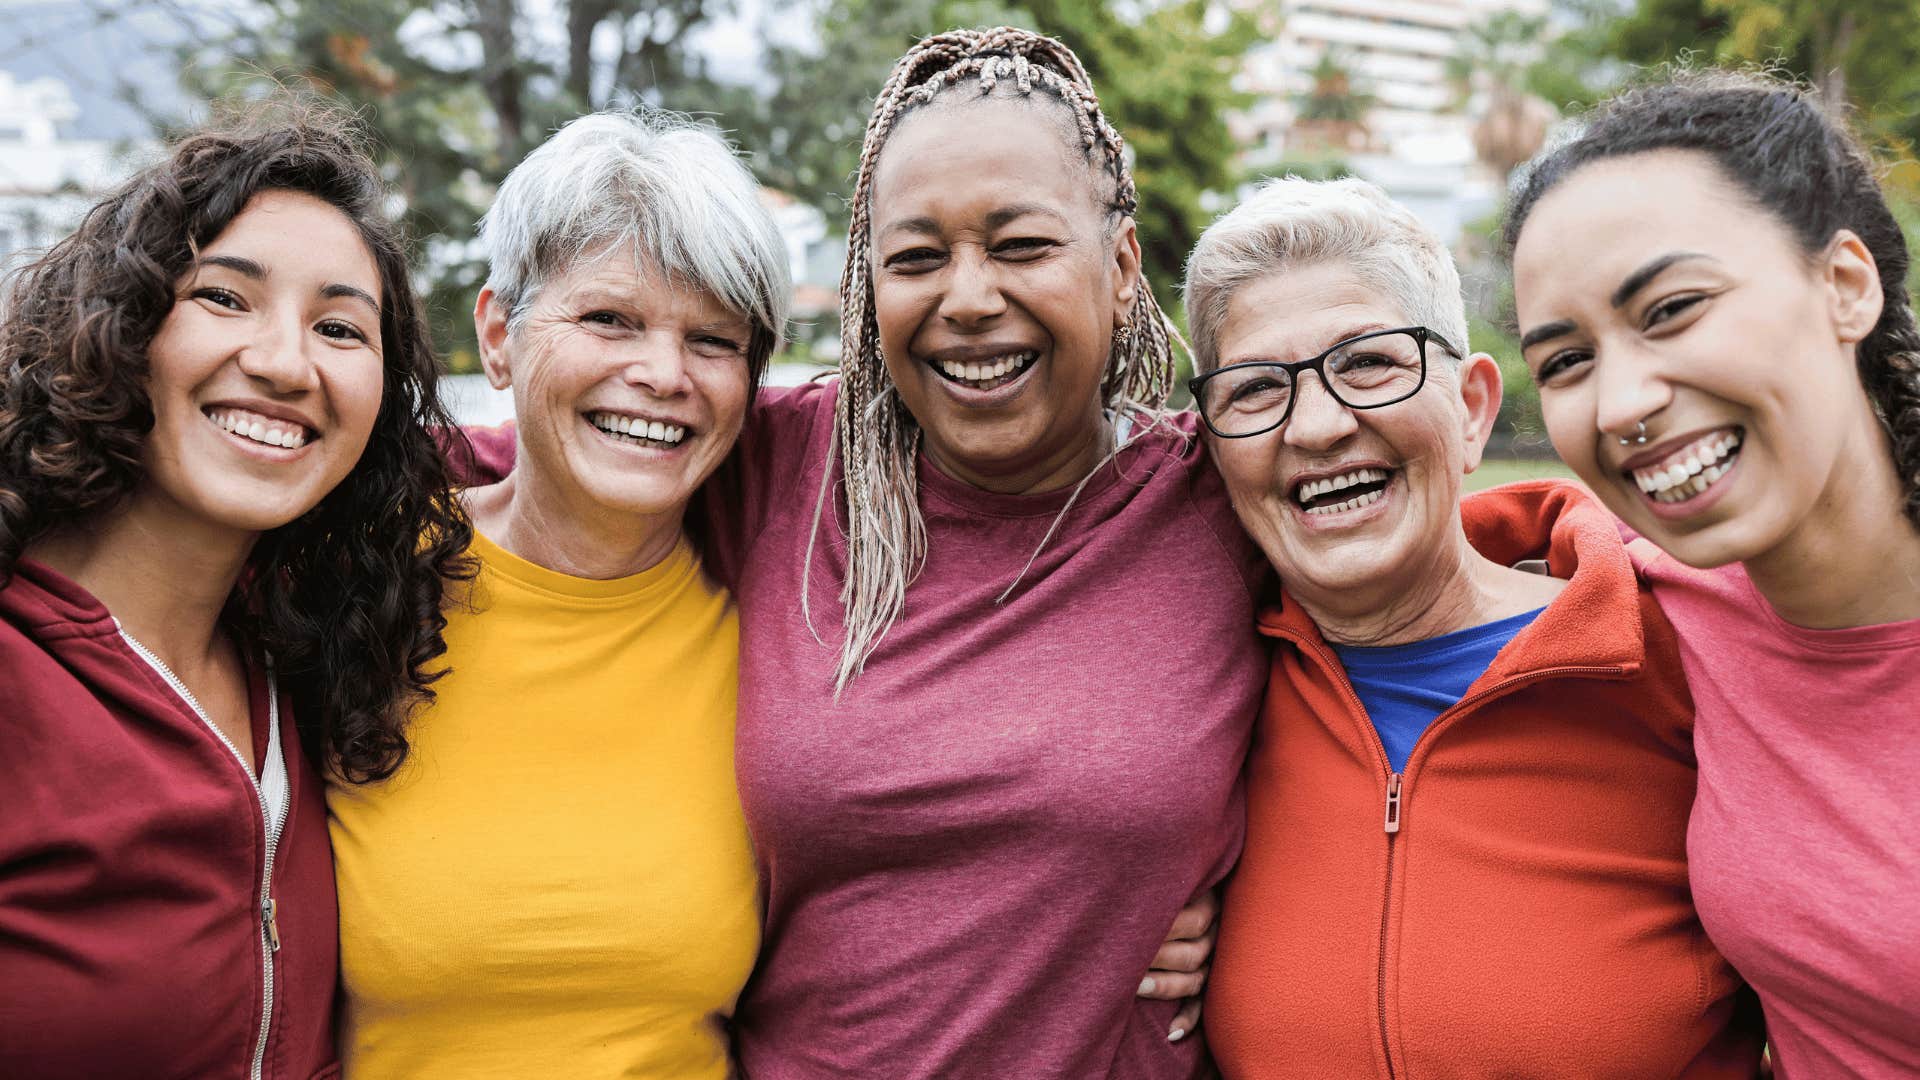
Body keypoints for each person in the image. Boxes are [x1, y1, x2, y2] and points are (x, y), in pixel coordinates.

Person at [457, 28, 1258, 1077]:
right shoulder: (773, 464)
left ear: (1119, 268)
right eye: (917, 258)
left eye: (1020, 247)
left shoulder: (1224, 495)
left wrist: (1256, 909)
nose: (968, 298)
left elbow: (1414, 607)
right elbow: (472, 456)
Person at [1187, 177, 1762, 1078]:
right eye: (1255, 389)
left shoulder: (1689, 652)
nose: (1320, 425)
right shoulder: (1196, 703)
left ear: (1471, 408)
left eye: (1370, 362)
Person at [0, 104, 469, 1079]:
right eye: (225, 298)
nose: (285, 364)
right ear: (119, 323)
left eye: (340, 327)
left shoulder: (301, 659)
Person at [326, 110, 788, 1078]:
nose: (662, 375)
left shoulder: (780, 629)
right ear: (499, 335)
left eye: (713, 340)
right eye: (609, 319)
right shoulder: (347, 585)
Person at [1507, 71, 1920, 1077]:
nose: (1620, 403)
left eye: (1673, 308)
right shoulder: (1651, 610)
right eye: (1565, 362)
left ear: (1845, 286)